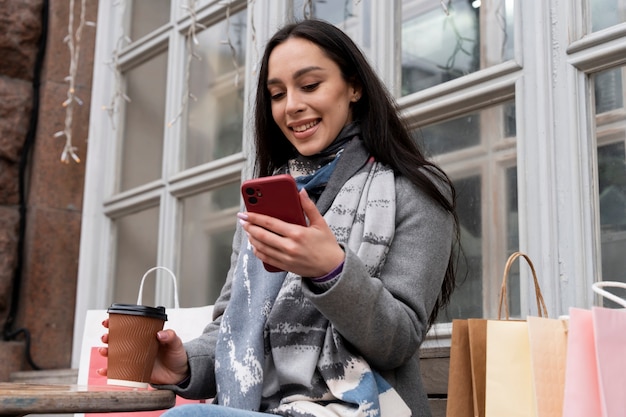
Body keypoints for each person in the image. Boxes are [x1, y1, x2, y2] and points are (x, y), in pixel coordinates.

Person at [98, 18, 459, 417]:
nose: (291, 106)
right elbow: (228, 331)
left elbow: (399, 338)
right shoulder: (268, 201)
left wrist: (331, 271)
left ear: (354, 87)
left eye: (309, 85)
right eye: (276, 93)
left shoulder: (414, 189)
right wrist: (183, 364)